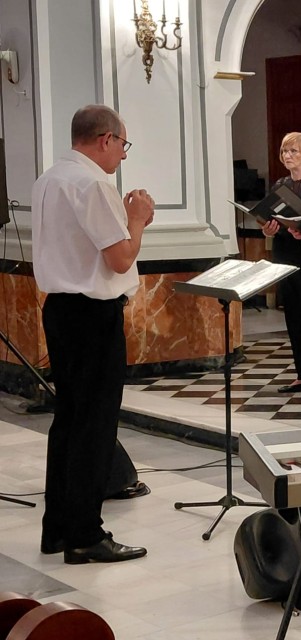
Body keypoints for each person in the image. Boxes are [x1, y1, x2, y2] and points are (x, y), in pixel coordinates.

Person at [32, 104, 152, 563]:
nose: (123, 155)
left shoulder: (51, 178)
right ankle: (86, 534)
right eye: (122, 144)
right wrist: (137, 217)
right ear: (105, 139)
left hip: (60, 309)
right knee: (95, 426)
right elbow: (119, 259)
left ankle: (58, 528)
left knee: (69, 421)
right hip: (92, 315)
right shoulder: (93, 183)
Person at [261, 133, 301, 398]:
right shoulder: (280, 184)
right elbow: (270, 217)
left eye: (293, 152)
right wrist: (268, 229)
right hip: (284, 252)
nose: (288, 156)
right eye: (285, 151)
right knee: (293, 314)